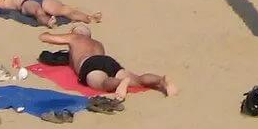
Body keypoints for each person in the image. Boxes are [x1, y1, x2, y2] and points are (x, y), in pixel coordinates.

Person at [36, 26, 174, 98]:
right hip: (108, 61)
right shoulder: (98, 43)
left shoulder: (75, 38)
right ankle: (161, 80)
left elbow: (45, 37)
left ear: (76, 32)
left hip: (90, 64)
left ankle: (121, 82)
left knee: (102, 83)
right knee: (138, 80)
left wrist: (48, 33)